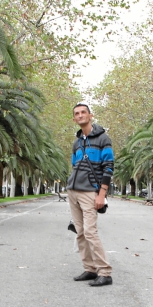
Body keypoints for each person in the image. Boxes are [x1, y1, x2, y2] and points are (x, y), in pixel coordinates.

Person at [66, 103, 113, 287]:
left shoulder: (103, 139)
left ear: (90, 115)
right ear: (74, 119)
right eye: (76, 113)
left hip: (90, 192)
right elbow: (75, 165)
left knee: (90, 232)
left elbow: (108, 167)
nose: (80, 115)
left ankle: (105, 272)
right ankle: (90, 269)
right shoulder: (76, 143)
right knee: (80, 233)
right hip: (73, 191)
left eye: (83, 112)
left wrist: (101, 194)